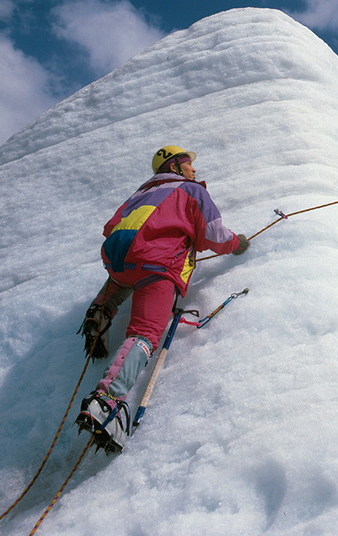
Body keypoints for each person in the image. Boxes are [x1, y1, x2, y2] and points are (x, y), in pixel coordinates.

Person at [76, 145, 249, 452]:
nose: (194, 169)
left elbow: (110, 228)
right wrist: (236, 244)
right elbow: (213, 235)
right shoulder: (192, 190)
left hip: (118, 264)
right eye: (188, 163)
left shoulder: (139, 194)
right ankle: (107, 401)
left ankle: (101, 310)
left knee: (124, 274)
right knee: (145, 333)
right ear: (175, 165)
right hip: (156, 269)